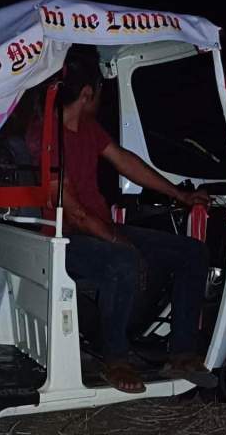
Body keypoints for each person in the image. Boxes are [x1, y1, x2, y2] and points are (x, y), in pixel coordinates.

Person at [28, 46, 214, 394]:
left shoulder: (88, 128)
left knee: (193, 253)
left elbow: (126, 162)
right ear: (87, 93)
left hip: (99, 228)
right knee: (123, 259)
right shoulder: (46, 136)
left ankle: (181, 352)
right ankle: (115, 357)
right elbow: (76, 215)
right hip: (64, 239)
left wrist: (180, 194)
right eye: (99, 91)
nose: (101, 98)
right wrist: (122, 242)